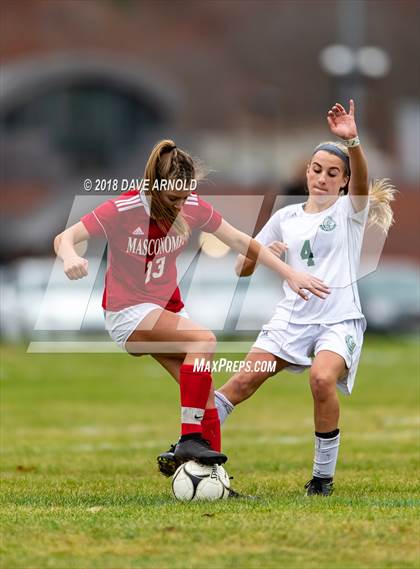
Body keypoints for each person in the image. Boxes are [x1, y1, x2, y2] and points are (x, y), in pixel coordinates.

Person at [54, 139, 329, 476]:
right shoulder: (123, 209)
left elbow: (242, 241)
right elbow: (65, 237)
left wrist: (290, 273)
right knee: (204, 340)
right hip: (128, 312)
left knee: (205, 396)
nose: (182, 204)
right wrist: (70, 257)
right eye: (174, 198)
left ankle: (214, 478)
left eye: (186, 197)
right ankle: (188, 439)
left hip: (166, 310)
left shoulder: (192, 204)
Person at [212, 100, 396, 496]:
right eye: (317, 170)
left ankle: (322, 479)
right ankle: (191, 446)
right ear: (307, 173)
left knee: (321, 378)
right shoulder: (285, 218)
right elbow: (241, 269)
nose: (323, 178)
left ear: (345, 182)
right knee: (241, 382)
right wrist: (265, 257)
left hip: (337, 319)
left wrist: (353, 142)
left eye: (334, 173)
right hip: (291, 318)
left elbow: (363, 180)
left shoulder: (351, 211)